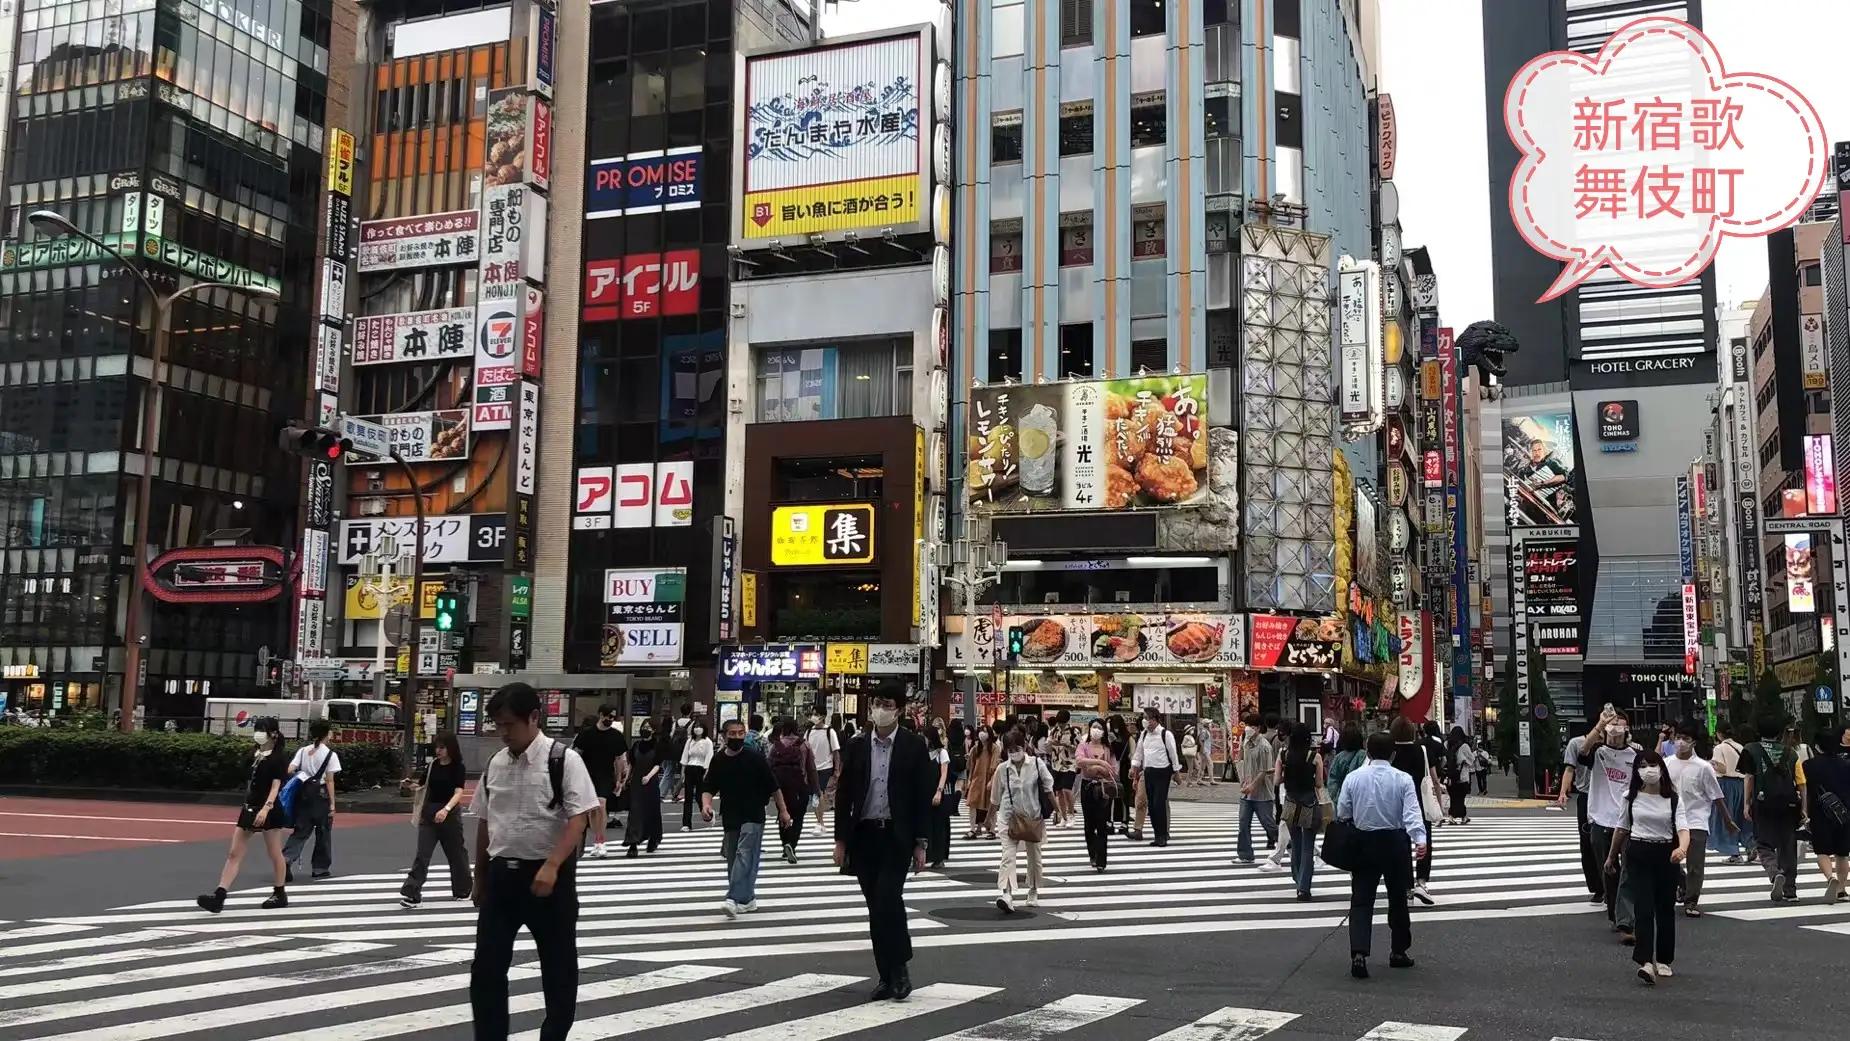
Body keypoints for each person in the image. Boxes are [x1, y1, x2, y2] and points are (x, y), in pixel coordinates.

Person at [469, 683, 597, 1041]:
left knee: (558, 969)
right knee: (487, 970)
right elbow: (485, 820)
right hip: (501, 878)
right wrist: (480, 878)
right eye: (498, 725)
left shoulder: (563, 759)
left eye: (510, 724)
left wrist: (553, 865)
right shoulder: (495, 763)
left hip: (548, 879)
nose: (503, 732)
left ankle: (553, 1035)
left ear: (534, 718)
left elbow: (579, 818)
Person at [833, 681, 935, 1001]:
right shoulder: (858, 744)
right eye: (877, 702)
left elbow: (921, 795)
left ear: (899, 710)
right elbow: (844, 794)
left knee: (888, 898)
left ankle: (900, 969)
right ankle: (885, 975)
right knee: (876, 907)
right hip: (864, 835)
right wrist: (840, 841)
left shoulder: (913, 745)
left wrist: (921, 843)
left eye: (887, 704)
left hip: (896, 835)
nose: (881, 709)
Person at [1337, 730, 1429, 979]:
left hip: (1364, 841)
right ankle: (1398, 952)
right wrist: (1420, 839)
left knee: (1361, 899)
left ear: (1367, 752)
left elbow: (1342, 811)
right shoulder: (1403, 779)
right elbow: (1412, 812)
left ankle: (1359, 953)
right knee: (1398, 898)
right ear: (1393, 754)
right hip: (1395, 841)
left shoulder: (1353, 778)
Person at [1604, 748, 1687, 985]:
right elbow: (1622, 828)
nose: (1648, 770)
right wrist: (1611, 857)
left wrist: (1682, 848)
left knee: (1665, 908)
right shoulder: (1630, 799)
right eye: (1642, 766)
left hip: (1666, 854)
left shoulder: (1672, 798)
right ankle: (1645, 962)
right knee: (1643, 908)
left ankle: (1664, 959)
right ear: (1636, 771)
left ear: (1661, 769)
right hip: (1639, 852)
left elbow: (1683, 827)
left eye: (1653, 765)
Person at [196, 716, 291, 913]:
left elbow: (276, 786)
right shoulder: (254, 754)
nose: (258, 733)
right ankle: (219, 896)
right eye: (257, 729)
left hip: (269, 809)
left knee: (274, 852)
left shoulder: (278, 758)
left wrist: (267, 808)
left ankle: (280, 892)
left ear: (273, 733)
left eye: (262, 730)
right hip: (249, 807)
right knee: (234, 853)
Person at [703, 717, 790, 915]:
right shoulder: (719, 760)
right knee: (734, 859)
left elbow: (773, 785)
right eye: (732, 734)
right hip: (731, 814)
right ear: (724, 736)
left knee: (744, 856)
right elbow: (709, 786)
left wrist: (783, 811)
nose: (737, 737)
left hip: (754, 813)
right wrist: (706, 805)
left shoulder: (755, 758)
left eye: (740, 733)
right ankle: (748, 898)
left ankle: (732, 898)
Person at [1578, 710, 1640, 940]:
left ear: (1627, 729)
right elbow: (1581, 754)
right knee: (1608, 869)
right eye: (1612, 725)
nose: (1615, 728)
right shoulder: (1598, 751)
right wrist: (1599, 724)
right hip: (1600, 819)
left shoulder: (1636, 755)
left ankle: (1626, 921)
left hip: (1626, 821)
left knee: (1628, 870)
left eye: (1620, 725)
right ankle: (1616, 914)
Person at [1665, 718, 1732, 916]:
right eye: (1678, 737)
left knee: (1695, 864)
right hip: (1670, 820)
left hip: (1696, 820)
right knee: (1669, 860)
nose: (1680, 742)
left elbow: (1716, 795)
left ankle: (1691, 901)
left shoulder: (1703, 767)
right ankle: (1683, 885)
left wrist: (1728, 820)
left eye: (1685, 738)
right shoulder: (1666, 763)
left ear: (1693, 742)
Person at [400, 730, 473, 908]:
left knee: (456, 854)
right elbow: (423, 786)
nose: (438, 751)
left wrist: (446, 809)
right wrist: (409, 785)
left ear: (450, 748)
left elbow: (459, 792)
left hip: (449, 814)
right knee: (422, 854)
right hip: (429, 813)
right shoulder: (432, 765)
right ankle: (412, 892)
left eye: (442, 747)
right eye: (437, 747)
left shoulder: (458, 767)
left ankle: (463, 890)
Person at [1741, 716, 1803, 902]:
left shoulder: (1750, 749)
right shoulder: (1791, 753)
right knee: (1788, 845)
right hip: (1788, 804)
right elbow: (1801, 784)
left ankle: (1775, 873)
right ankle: (1790, 890)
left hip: (1763, 803)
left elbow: (1749, 777)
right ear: (1779, 732)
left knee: (1763, 843)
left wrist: (1746, 803)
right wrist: (1804, 808)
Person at [993, 727, 1054, 910]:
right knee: (1008, 856)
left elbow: (1048, 787)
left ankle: (1033, 889)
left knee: (1034, 855)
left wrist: (1060, 811)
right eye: (1010, 750)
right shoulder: (1002, 769)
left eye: (1016, 749)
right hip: (1009, 817)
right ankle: (1006, 893)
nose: (1014, 753)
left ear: (1024, 746)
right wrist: (989, 819)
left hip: (1033, 817)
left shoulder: (1036, 764)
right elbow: (996, 797)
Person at [1387, 715, 1444, 904]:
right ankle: (1421, 881)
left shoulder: (1389, 751)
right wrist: (1440, 803)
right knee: (1423, 840)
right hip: (1420, 803)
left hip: (1396, 805)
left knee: (1401, 844)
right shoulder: (1422, 750)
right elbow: (1434, 778)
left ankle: (1406, 887)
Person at [281, 719, 340, 881]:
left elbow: (290, 769)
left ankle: (286, 859)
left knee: (301, 831)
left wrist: (303, 775)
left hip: (304, 795)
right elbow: (330, 780)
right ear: (327, 734)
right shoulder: (330, 755)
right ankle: (320, 868)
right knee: (323, 832)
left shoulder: (302, 751)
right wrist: (333, 804)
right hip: (321, 797)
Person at [1801, 724, 1850, 902]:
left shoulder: (1808, 765)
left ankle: (1831, 878)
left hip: (1820, 812)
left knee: (1822, 851)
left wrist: (1804, 811)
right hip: (1844, 811)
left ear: (1817, 746)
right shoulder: (1845, 764)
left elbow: (1804, 788)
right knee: (1843, 853)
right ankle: (1842, 889)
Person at [1278, 722, 1326, 900]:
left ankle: (1297, 879)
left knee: (1296, 843)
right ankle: (1304, 888)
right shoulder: (1315, 756)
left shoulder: (1283, 754)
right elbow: (1319, 784)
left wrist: (1288, 775)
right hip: (1308, 802)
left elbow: (1276, 780)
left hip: (1290, 802)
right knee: (1308, 846)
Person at [1559, 722, 1604, 904]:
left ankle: (1611, 885)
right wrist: (1563, 791)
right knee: (1587, 844)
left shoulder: (1614, 744)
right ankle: (1597, 887)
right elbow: (1570, 768)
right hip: (1586, 796)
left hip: (1608, 798)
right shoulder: (1576, 744)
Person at [574, 706, 626, 857]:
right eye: (608, 716)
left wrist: (618, 780)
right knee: (591, 809)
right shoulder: (587, 734)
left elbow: (619, 760)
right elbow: (576, 755)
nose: (610, 720)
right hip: (586, 774)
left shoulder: (616, 736)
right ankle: (597, 841)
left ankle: (601, 841)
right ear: (601, 715)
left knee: (601, 804)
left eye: (613, 717)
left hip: (605, 775)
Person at [1129, 706, 1183, 846]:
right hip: (1148, 771)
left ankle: (1162, 835)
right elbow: (1139, 752)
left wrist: (1176, 772)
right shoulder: (1144, 734)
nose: (1145, 721)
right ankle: (1157, 834)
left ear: (1155, 720)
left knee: (1159, 803)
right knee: (1152, 805)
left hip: (1163, 772)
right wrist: (1134, 767)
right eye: (1144, 718)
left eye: (1147, 718)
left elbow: (1173, 754)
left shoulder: (1165, 734)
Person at [767, 718, 816, 864]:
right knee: (799, 817)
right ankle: (792, 844)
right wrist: (816, 788)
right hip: (801, 786)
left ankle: (785, 844)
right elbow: (811, 768)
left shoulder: (776, 746)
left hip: (781, 788)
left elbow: (769, 766)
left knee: (784, 814)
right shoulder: (804, 744)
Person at [1236, 712, 1279, 864]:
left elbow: (1266, 770)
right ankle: (1245, 854)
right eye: (1247, 725)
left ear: (1259, 728)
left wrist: (1253, 785)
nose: (1248, 729)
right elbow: (1242, 761)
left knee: (1269, 825)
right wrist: (1243, 781)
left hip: (1262, 793)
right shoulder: (1246, 741)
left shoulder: (1264, 746)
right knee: (1243, 822)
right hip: (1246, 792)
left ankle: (1291, 845)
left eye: (1252, 726)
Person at [1076, 718, 1118, 870]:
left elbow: (1113, 770)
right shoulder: (1083, 746)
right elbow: (1080, 762)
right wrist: (1100, 763)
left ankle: (1101, 860)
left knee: (1102, 824)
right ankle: (1092, 853)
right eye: (1094, 727)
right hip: (1087, 787)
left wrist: (1097, 769)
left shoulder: (1108, 748)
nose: (1096, 730)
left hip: (1103, 788)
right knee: (1089, 824)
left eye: (1099, 728)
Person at [619, 721, 665, 857]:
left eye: (649, 727)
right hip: (637, 783)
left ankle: (653, 837)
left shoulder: (657, 746)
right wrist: (626, 779)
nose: (645, 730)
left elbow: (658, 764)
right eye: (644, 727)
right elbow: (631, 765)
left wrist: (649, 776)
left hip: (651, 783)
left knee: (652, 811)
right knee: (635, 812)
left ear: (654, 730)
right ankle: (633, 843)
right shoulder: (636, 746)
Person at [1711, 723, 1752, 862]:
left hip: (1726, 785)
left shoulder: (1719, 748)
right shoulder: (1740, 747)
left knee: (1728, 819)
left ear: (1719, 733)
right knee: (1743, 818)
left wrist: (1712, 763)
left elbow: (1722, 769)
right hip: (1741, 784)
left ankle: (1734, 853)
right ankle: (1751, 846)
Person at [805, 710, 843, 837]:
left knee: (818, 793)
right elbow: (804, 749)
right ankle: (820, 821)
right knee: (817, 795)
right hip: (812, 767)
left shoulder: (829, 731)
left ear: (823, 716)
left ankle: (820, 823)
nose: (813, 716)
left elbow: (836, 751)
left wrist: (837, 769)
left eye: (816, 714)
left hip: (826, 767)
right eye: (813, 713)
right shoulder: (809, 731)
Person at [923, 725, 955, 867]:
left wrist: (939, 791)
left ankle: (939, 857)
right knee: (925, 824)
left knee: (939, 825)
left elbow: (944, 773)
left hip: (938, 793)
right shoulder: (923, 753)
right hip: (925, 792)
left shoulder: (942, 753)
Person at [964, 724, 999, 839]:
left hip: (989, 779)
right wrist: (969, 780)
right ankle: (972, 829)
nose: (981, 733)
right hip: (976, 779)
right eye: (980, 731)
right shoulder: (976, 748)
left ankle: (992, 830)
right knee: (972, 803)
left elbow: (995, 765)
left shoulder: (994, 748)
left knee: (991, 804)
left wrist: (992, 780)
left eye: (984, 731)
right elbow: (971, 765)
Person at [679, 719, 713, 832]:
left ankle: (708, 815)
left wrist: (707, 772)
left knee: (700, 796)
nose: (697, 729)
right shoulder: (690, 741)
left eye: (699, 727)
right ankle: (686, 824)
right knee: (687, 798)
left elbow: (709, 757)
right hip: (690, 768)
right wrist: (682, 772)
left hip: (701, 769)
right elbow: (684, 756)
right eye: (695, 727)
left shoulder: (708, 742)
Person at [1046, 710, 1077, 826]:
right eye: (1059, 723)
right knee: (1059, 791)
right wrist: (1050, 743)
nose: (1060, 725)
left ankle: (1071, 815)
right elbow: (1048, 747)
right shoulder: (1054, 731)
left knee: (1067, 790)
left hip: (1070, 764)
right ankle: (1063, 818)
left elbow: (1079, 749)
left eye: (1062, 723)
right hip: (1056, 764)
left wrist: (1065, 745)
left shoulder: (1074, 732)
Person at [1327, 725, 1367, 805]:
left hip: (1342, 801)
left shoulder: (1339, 757)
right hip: (1360, 802)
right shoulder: (1365, 756)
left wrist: (1339, 799)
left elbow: (1332, 781)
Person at [1107, 715, 1134, 833]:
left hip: (1114, 768)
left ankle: (1111, 821)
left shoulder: (1111, 737)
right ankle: (1124, 822)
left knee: (1112, 795)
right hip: (1124, 768)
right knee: (1123, 796)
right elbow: (1133, 754)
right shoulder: (1128, 737)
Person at [1444, 728, 1476, 824]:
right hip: (1461, 775)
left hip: (1450, 776)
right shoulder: (1464, 746)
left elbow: (1444, 760)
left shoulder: (1446, 744)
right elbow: (1472, 759)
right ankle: (1457, 816)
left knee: (1453, 797)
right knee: (1461, 797)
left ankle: (1456, 816)